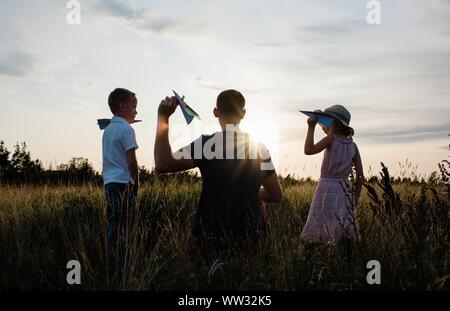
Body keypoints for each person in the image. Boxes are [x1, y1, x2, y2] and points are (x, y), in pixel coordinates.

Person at [154, 89, 282, 258]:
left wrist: (163, 117)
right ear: (243, 114)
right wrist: (248, 192)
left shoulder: (206, 144)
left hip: (208, 233)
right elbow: (276, 195)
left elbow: (162, 163)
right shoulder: (259, 148)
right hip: (251, 234)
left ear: (215, 112)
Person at [300, 105, 364, 251]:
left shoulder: (330, 140)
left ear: (334, 123)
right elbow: (360, 176)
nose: (323, 126)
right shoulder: (353, 146)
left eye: (326, 122)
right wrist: (355, 200)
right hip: (345, 190)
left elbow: (308, 150)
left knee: (320, 225)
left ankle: (315, 257)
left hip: (326, 189)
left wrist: (311, 127)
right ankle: (344, 260)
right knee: (343, 228)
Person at [102, 88, 139, 280]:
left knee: (112, 226)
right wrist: (137, 182)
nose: (136, 112)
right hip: (124, 184)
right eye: (134, 107)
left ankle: (111, 268)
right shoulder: (127, 129)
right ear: (122, 107)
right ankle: (122, 271)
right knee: (125, 227)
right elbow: (131, 162)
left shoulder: (108, 129)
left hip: (109, 183)